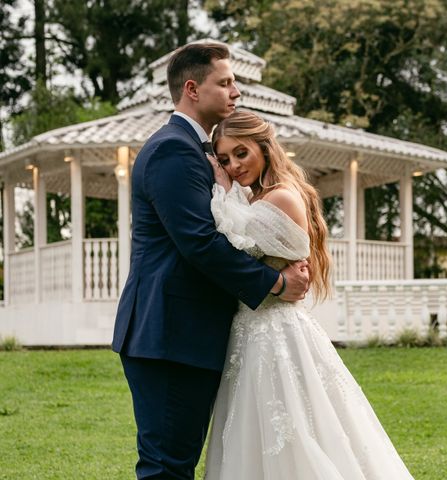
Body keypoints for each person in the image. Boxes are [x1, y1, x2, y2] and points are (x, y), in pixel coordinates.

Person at [111, 42, 310, 480]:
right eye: (225, 82)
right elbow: (198, 243)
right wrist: (274, 284)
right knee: (167, 468)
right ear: (192, 89)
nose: (236, 91)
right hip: (168, 333)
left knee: (176, 463)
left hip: (189, 334)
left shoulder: (199, 151)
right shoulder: (172, 150)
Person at [203, 110, 415, 479]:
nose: (234, 166)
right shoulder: (258, 200)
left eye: (241, 153)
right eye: (224, 160)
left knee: (295, 434)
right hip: (252, 332)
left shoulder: (281, 198)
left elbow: (226, 241)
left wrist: (221, 188)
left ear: (264, 148)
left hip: (274, 333)